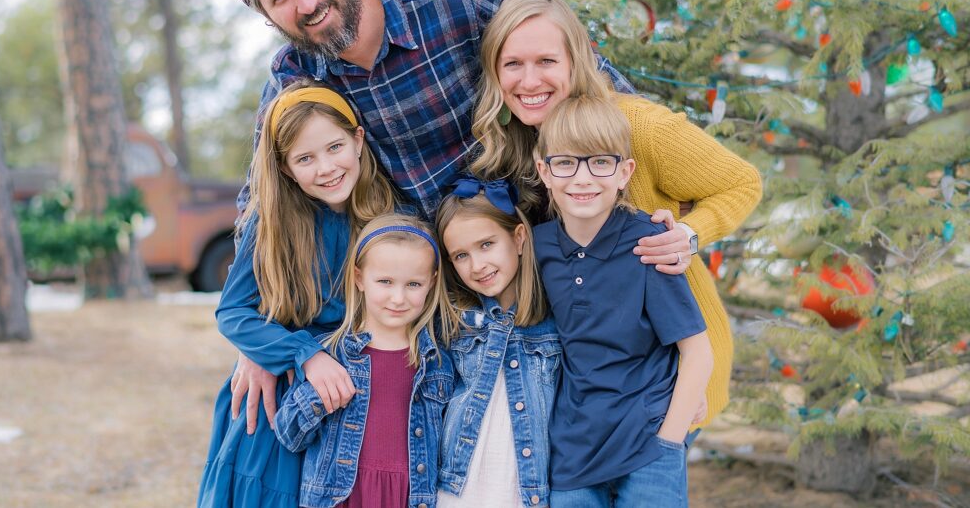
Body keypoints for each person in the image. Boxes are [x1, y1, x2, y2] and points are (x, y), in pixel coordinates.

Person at [227, 0, 636, 431]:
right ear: (267, 16)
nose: (306, 4)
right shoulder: (296, 77)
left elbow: (601, 90)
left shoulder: (453, 8)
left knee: (580, 432)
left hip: (537, 259)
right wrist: (264, 337)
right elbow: (259, 205)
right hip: (429, 302)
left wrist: (667, 203)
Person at [470, 0, 763, 429]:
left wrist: (687, 234)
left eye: (546, 62)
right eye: (513, 64)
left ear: (575, 61)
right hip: (592, 380)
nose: (529, 82)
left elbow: (742, 182)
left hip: (668, 365)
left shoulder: (639, 128)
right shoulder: (516, 143)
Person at [198, 81, 395, 507]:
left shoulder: (388, 217)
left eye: (334, 147)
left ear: (358, 140)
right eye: (305, 158)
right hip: (280, 397)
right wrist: (300, 353)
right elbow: (233, 311)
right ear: (286, 168)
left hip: (356, 396)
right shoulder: (271, 223)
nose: (325, 168)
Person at [533, 95, 714, 507]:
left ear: (624, 172)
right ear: (544, 171)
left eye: (600, 162)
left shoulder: (647, 244)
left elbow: (697, 351)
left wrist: (669, 439)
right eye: (565, 163)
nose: (582, 178)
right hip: (572, 451)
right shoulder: (537, 246)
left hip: (648, 446)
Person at [274, 214, 455, 508]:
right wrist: (319, 396)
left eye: (413, 284)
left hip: (411, 496)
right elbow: (288, 434)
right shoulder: (330, 355)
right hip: (341, 496)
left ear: (432, 283)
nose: (398, 298)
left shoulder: (438, 362)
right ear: (359, 278)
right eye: (385, 281)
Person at [433, 177, 560, 508]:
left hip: (527, 492)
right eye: (460, 255)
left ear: (518, 237)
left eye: (486, 244)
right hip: (457, 492)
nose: (477, 266)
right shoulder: (456, 324)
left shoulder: (555, 323)